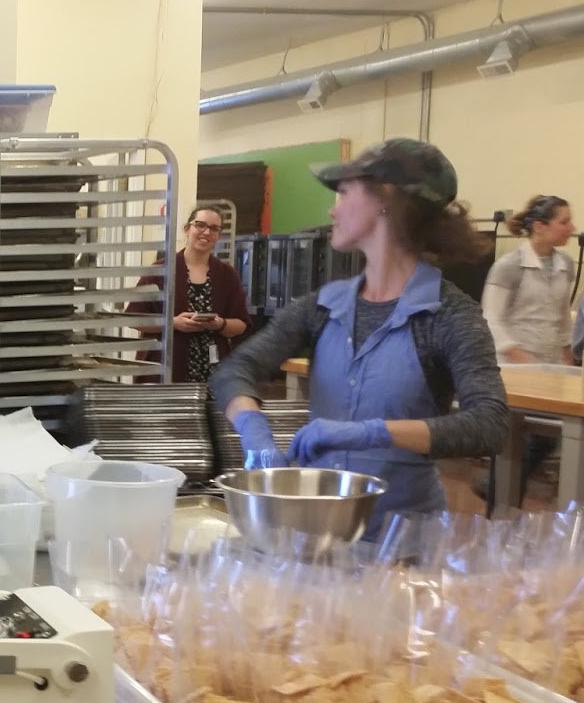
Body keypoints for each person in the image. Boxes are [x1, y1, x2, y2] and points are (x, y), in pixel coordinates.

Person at [211, 139, 509, 538]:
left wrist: (374, 432)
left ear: (385, 195)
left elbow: (489, 423)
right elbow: (235, 370)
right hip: (316, 531)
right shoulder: (324, 306)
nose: (332, 210)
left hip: (402, 541)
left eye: (345, 192)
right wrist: (253, 429)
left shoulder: (447, 314)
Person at [477, 195, 578, 499]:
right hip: (514, 367)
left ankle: (496, 489)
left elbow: (562, 317)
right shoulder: (508, 266)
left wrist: (568, 358)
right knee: (523, 438)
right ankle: (499, 493)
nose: (571, 228)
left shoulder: (566, 265)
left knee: (549, 435)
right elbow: (491, 320)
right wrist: (522, 359)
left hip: (549, 367)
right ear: (539, 226)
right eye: (564, 222)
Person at [131, 207, 252, 383]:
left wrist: (219, 324)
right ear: (187, 229)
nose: (206, 232)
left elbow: (241, 324)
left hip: (214, 374)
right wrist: (173, 323)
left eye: (214, 228)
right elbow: (134, 319)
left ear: (219, 235)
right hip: (165, 371)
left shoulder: (227, 275)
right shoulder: (160, 271)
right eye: (200, 225)